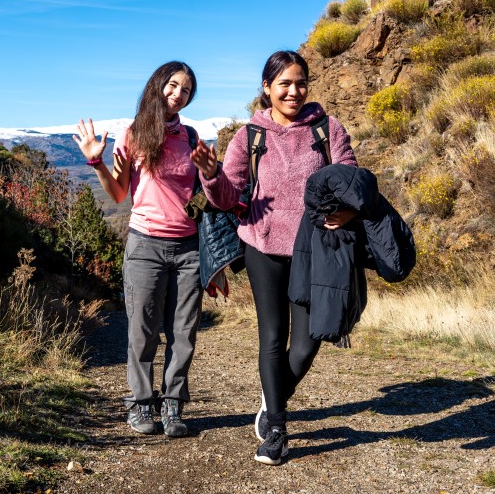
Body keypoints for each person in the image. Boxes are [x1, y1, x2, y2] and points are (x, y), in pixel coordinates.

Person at [190, 50, 359, 465]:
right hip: (262, 247)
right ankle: (277, 431)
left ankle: (272, 400)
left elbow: (351, 178)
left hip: (314, 251)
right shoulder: (249, 136)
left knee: (306, 344)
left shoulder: (327, 128)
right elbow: (228, 197)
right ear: (267, 88)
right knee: (271, 338)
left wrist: (348, 211)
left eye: (300, 83)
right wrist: (211, 175)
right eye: (284, 84)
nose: (293, 92)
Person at [72, 61, 202, 438]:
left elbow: (202, 193)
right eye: (173, 85)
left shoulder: (191, 136)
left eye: (186, 90)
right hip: (145, 244)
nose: (178, 94)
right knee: (142, 332)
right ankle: (141, 403)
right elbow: (117, 194)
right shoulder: (132, 133)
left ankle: (172, 405)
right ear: (157, 85)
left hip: (189, 248)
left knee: (183, 332)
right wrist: (96, 161)